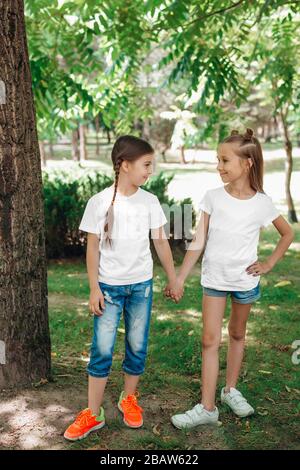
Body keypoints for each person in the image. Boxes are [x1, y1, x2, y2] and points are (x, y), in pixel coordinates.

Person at [166, 128, 294, 429]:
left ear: (247, 163)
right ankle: (207, 407)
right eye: (217, 160)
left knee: (237, 334)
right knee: (209, 339)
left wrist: (268, 263)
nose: (219, 166)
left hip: (244, 282)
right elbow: (198, 241)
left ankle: (230, 390)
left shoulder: (262, 202)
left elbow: (287, 234)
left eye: (225, 160)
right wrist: (180, 277)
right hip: (214, 280)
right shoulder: (212, 198)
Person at [64, 135, 182, 441]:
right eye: (146, 164)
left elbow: (160, 242)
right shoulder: (99, 202)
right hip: (109, 289)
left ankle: (128, 398)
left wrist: (173, 277)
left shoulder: (150, 201)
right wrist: (94, 288)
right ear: (125, 165)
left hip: (141, 287)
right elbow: (92, 250)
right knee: (101, 349)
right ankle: (93, 412)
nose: (150, 171)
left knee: (137, 345)